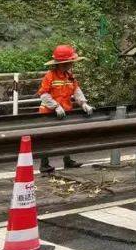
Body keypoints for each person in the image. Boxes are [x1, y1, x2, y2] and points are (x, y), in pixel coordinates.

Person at [37, 44, 94, 174]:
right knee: (47, 138)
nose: (71, 65)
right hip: (48, 113)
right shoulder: (50, 76)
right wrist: (55, 106)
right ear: (63, 63)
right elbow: (43, 94)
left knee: (67, 136)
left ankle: (67, 161)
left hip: (65, 112)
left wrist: (84, 103)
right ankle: (44, 165)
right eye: (70, 62)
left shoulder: (70, 76)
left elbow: (76, 90)